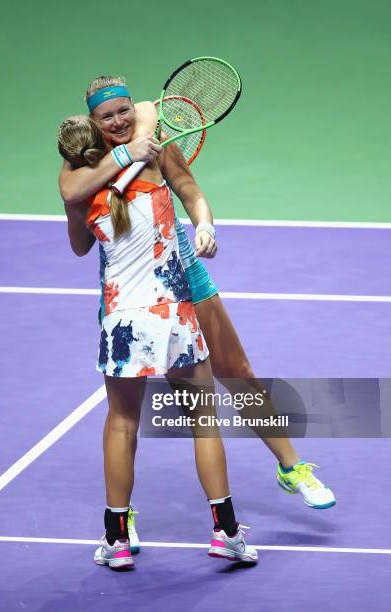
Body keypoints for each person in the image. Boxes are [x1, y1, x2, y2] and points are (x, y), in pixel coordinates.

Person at [58, 76, 336, 519]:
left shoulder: (154, 138)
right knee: (139, 413)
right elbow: (74, 213)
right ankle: (124, 516)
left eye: (123, 110)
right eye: (106, 116)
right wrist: (120, 159)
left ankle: (292, 466)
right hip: (129, 291)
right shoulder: (84, 167)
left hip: (184, 272)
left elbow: (189, 190)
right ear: (93, 123)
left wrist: (204, 224)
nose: (119, 120)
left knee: (236, 370)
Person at [58, 114, 258, 569]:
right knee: (204, 421)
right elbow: (147, 114)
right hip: (173, 318)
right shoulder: (152, 170)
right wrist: (135, 154)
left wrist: (94, 182)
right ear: (103, 133)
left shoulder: (80, 193)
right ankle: (226, 532)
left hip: (122, 324)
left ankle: (117, 538)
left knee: (122, 423)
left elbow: (77, 246)